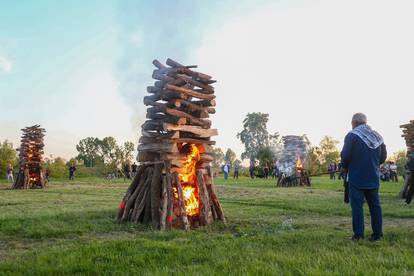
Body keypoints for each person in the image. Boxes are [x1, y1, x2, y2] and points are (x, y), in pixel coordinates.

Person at [341, 113, 387, 241]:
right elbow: (383, 157)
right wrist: (372, 165)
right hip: (373, 176)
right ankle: (377, 235)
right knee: (375, 206)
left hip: (356, 177)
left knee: (357, 206)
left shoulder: (352, 135)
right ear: (365, 122)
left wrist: (345, 166)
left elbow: (345, 156)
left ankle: (358, 235)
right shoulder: (377, 136)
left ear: (354, 123)